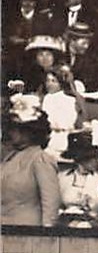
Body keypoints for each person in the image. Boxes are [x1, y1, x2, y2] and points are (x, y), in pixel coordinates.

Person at [2, 95, 62, 226]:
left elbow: (50, 202)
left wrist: (46, 236)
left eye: (16, 128)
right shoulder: (8, 158)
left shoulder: (40, 158)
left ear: (30, 131)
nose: (11, 132)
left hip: (28, 234)